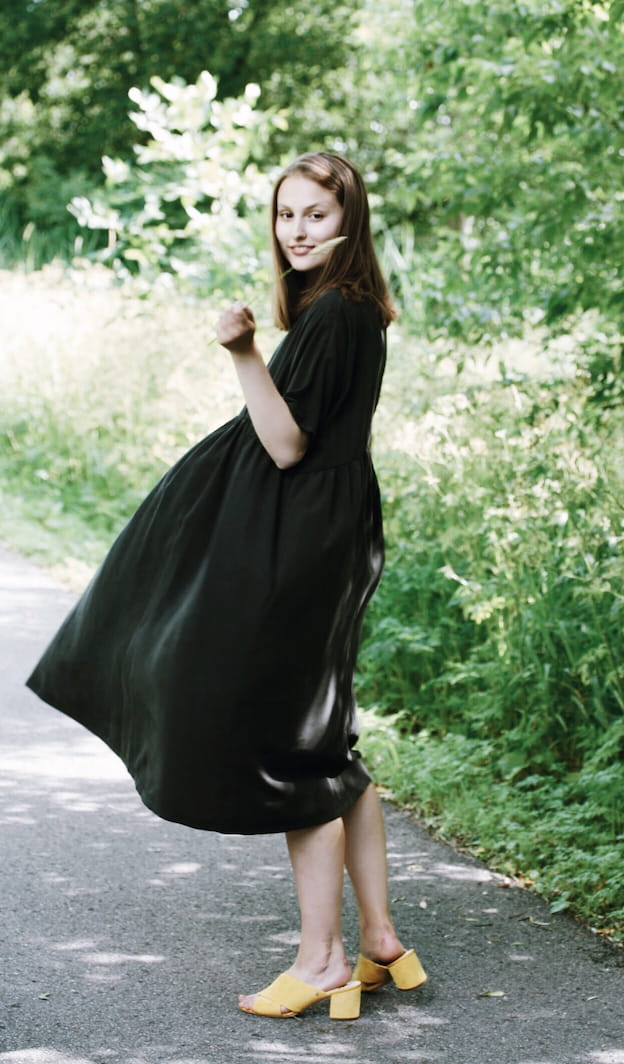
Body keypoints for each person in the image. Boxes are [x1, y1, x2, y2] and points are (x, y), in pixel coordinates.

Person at [27, 152, 426, 1020]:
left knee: (290, 747)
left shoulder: (335, 319)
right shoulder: (344, 313)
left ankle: (321, 960)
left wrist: (243, 350)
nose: (298, 229)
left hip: (301, 544)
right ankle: (382, 942)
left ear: (350, 219)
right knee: (324, 739)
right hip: (322, 534)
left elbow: (285, 444)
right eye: (286, 215)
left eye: (317, 214)